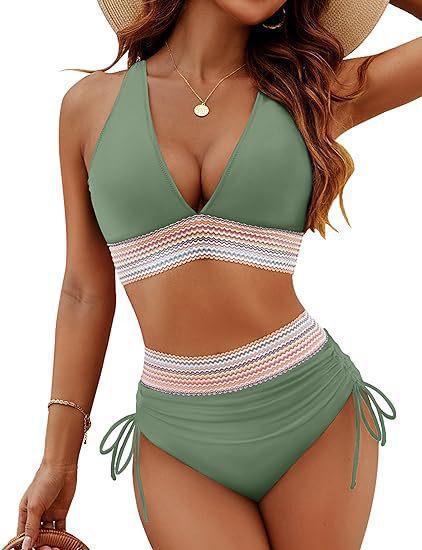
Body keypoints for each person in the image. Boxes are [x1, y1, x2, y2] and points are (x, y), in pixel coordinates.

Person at [17, 1, 421, 549]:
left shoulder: (314, 92)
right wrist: (57, 459)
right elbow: (84, 291)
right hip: (178, 440)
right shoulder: (88, 107)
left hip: (314, 416)